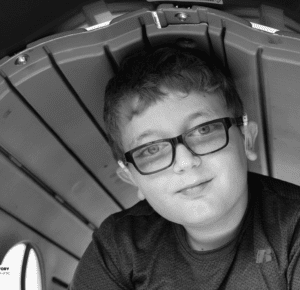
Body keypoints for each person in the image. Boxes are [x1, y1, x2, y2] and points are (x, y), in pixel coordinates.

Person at [69, 45, 300, 289]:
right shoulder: (118, 247)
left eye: (203, 130)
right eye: (151, 150)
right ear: (132, 178)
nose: (185, 161)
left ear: (247, 140)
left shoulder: (293, 228)